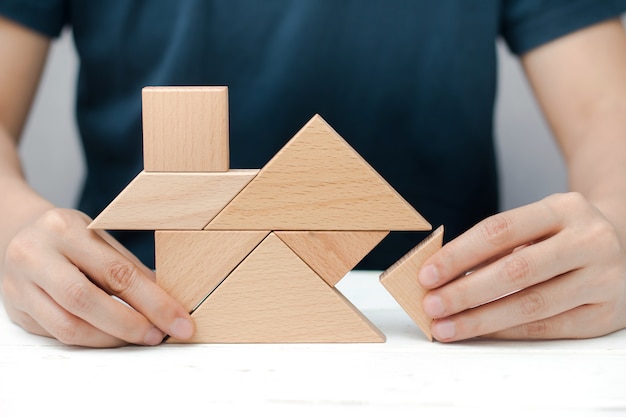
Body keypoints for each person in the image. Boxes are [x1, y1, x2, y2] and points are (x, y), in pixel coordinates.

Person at [1, 1, 626, 347]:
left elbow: (608, 115)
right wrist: (15, 224)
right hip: (128, 319)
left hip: (444, 325)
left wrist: (616, 224)